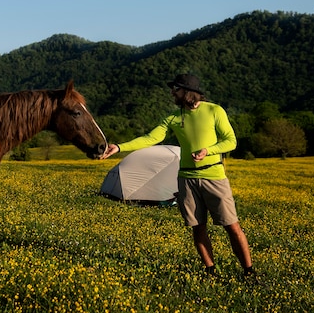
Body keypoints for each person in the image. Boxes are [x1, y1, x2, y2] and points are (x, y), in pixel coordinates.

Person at [101, 74, 254, 277]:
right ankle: (211, 271)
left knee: (232, 226)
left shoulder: (214, 110)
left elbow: (230, 141)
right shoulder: (173, 117)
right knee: (198, 228)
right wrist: (120, 147)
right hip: (186, 179)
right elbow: (150, 138)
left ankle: (249, 271)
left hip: (214, 177)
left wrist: (208, 151)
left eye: (176, 89)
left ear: (188, 91)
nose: (172, 93)